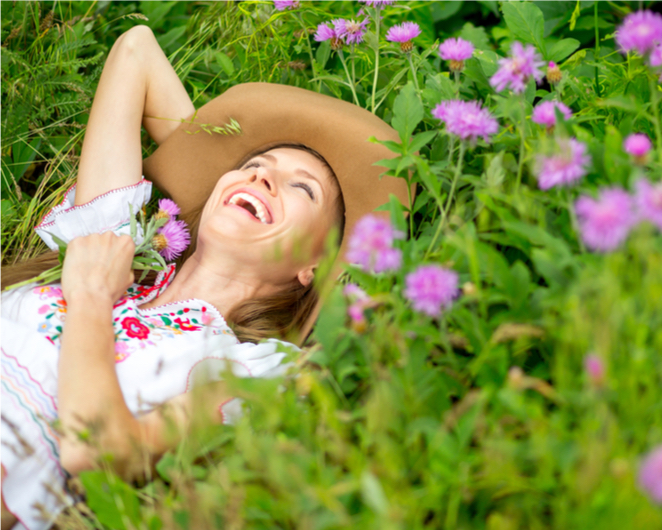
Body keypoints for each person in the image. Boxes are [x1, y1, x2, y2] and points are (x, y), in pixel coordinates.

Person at [0, 25, 410, 530]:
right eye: (255, 165)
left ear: (316, 266)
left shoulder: (252, 367)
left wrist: (89, 297)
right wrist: (204, 158)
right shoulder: (119, 245)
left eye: (302, 189)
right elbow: (136, 50)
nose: (261, 175)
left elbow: (101, 452)